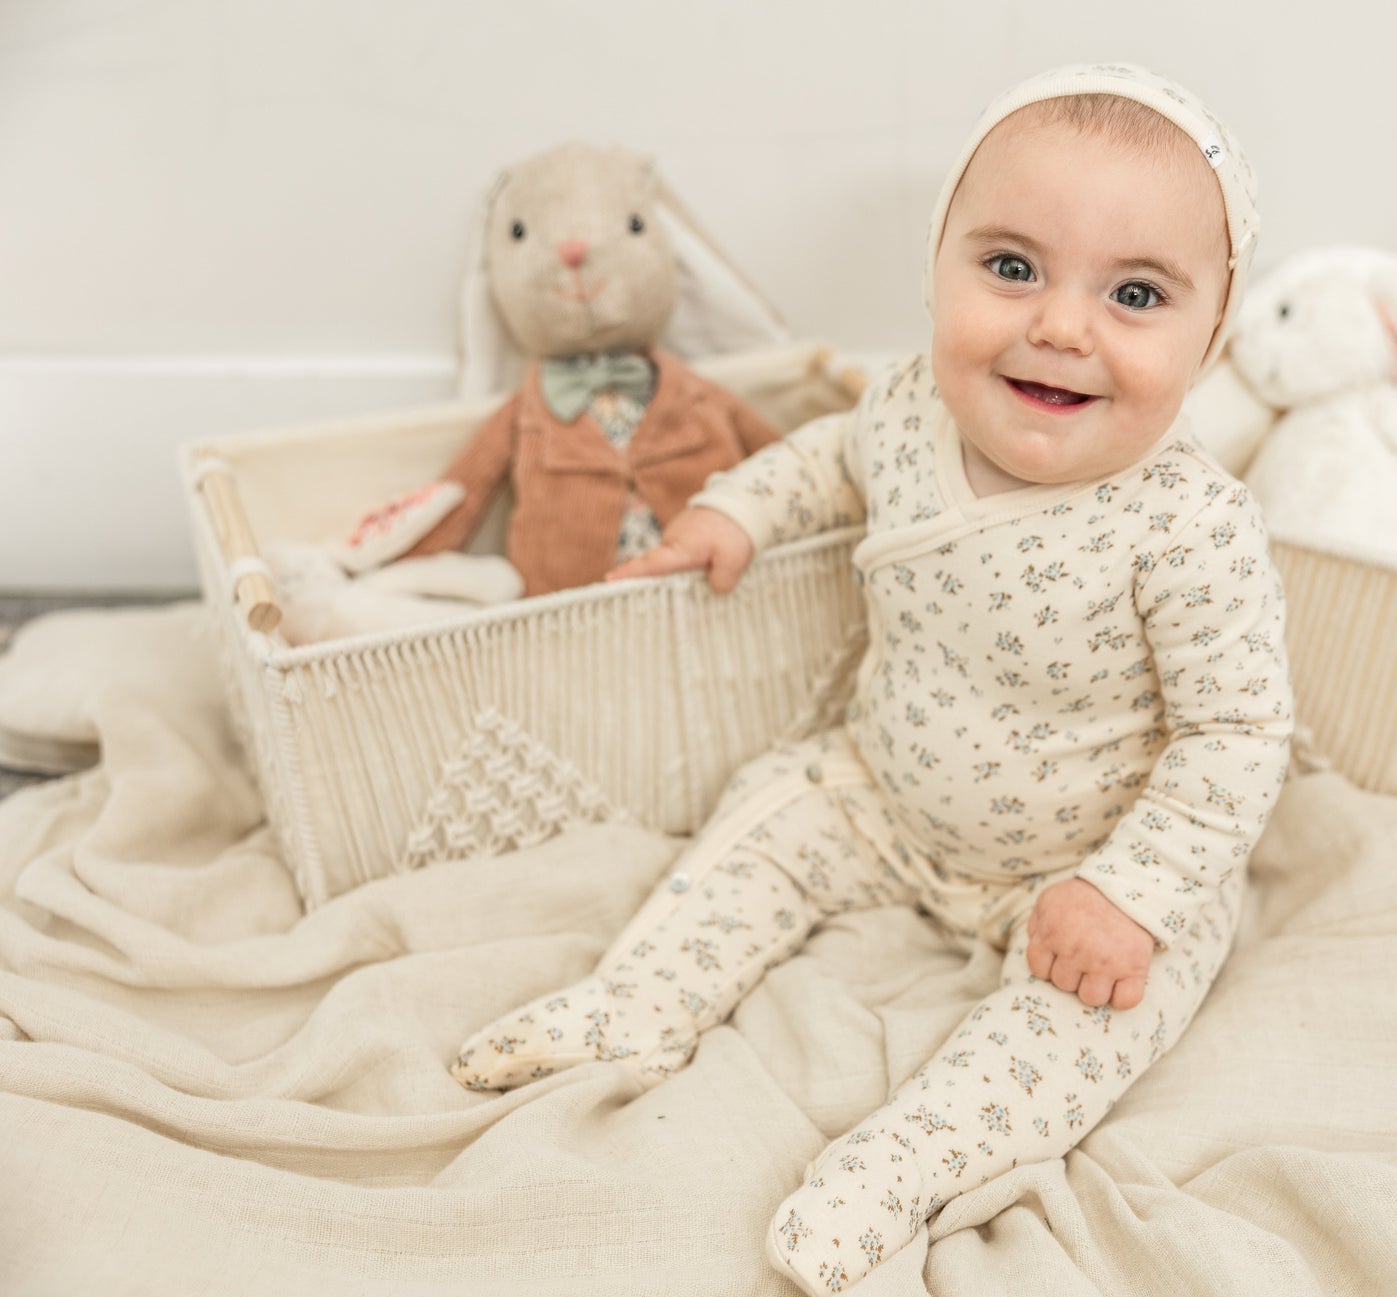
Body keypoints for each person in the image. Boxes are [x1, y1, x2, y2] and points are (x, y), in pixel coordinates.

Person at [451, 63, 1295, 1294]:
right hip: (881, 792)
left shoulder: (1188, 527)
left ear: (1210, 340)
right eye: (1010, 268)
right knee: (767, 808)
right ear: (936, 267)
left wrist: (1131, 892)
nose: (1059, 325)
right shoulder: (905, 409)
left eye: (1133, 293)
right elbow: (821, 461)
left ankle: (907, 1163)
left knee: (1085, 1025)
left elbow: (1237, 734)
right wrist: (737, 512)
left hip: (1083, 871)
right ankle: (631, 1002)